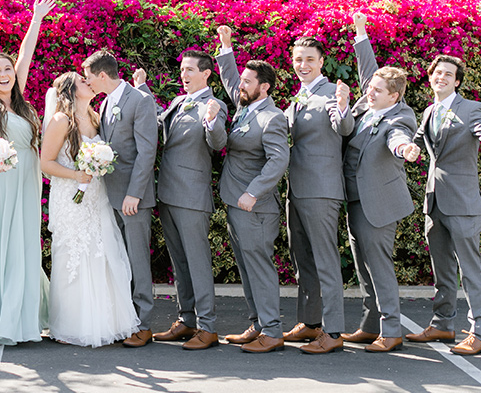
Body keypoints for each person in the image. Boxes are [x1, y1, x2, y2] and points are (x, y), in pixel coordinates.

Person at [404, 50, 481, 356]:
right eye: (436, 73)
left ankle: (479, 332)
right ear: (430, 78)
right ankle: (443, 323)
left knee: (470, 271)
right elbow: (414, 143)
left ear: (456, 82)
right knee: (442, 270)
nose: (440, 77)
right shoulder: (429, 112)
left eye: (447, 74)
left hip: (463, 203)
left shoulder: (470, 109)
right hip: (435, 202)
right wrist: (404, 149)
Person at [0, 0, 55, 345]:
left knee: (22, 245)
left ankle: (23, 314)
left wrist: (35, 19)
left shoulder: (17, 101)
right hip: (0, 182)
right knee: (2, 246)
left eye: (8, 69)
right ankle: (0, 315)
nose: (6, 74)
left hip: (25, 182)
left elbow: (26, 56)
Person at [134, 50, 228, 350]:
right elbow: (158, 123)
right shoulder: (178, 101)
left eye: (189, 70)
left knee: (198, 263)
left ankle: (208, 327)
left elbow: (218, 142)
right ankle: (187, 320)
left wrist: (212, 121)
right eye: (182, 70)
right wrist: (142, 91)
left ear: (206, 74)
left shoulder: (215, 105)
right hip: (168, 194)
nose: (183, 75)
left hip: (191, 195)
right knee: (180, 263)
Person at [337, 12, 419, 353]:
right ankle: (370, 326)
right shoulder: (365, 106)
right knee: (362, 266)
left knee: (379, 267)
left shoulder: (399, 117)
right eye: (369, 89)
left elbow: (396, 139)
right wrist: (360, 33)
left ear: (394, 96)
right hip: (355, 200)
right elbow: (367, 70)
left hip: (379, 204)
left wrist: (406, 148)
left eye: (377, 91)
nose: (370, 92)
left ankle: (392, 330)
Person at [41, 72, 140, 347]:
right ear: (71, 90)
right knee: (74, 254)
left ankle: (106, 322)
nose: (89, 82)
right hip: (71, 197)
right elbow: (45, 163)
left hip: (97, 197)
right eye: (83, 81)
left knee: (101, 252)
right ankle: (72, 325)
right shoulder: (61, 121)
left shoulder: (96, 118)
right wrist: (76, 175)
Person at [214, 26, 291, 353]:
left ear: (265, 88)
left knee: (259, 268)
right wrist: (226, 47)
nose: (240, 86)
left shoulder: (271, 117)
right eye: (242, 81)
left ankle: (272, 332)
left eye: (248, 82)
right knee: (247, 267)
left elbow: (278, 160)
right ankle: (258, 324)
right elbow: (232, 80)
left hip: (255, 208)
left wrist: (254, 192)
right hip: (236, 203)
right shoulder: (246, 106)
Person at [81, 50, 158, 348]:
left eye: (89, 76)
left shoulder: (140, 101)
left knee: (137, 260)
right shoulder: (105, 102)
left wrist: (134, 194)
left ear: (102, 75)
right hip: (109, 195)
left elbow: (146, 151)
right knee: (119, 260)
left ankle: (144, 323)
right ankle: (125, 320)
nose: (87, 81)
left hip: (131, 197)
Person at [283, 35, 353, 355]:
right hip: (296, 190)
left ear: (321, 62)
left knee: (325, 262)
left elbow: (343, 126)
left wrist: (342, 106)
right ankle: (310, 323)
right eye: (298, 59)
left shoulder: (329, 93)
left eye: (309, 59)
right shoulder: (298, 95)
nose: (303, 65)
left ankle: (333, 330)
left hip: (321, 190)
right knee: (303, 261)